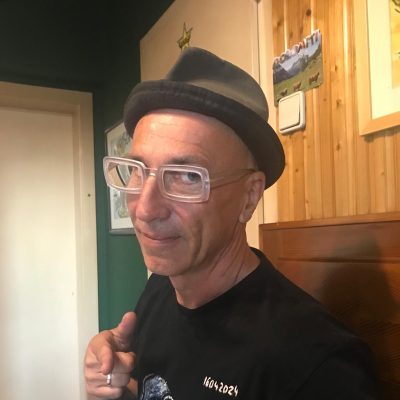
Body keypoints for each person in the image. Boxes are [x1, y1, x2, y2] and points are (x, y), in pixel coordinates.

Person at [85, 47, 378, 399]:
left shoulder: (319, 366)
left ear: (249, 197)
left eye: (186, 177)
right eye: (137, 170)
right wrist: (114, 383)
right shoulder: (160, 288)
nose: (145, 209)